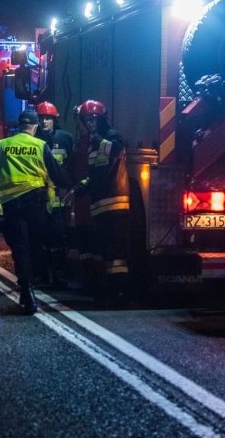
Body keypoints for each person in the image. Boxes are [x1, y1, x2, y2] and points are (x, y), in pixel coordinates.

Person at [0, 110, 70, 315]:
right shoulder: (40, 145)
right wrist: (71, 185)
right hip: (36, 203)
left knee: (19, 246)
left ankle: (26, 288)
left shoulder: (4, 145)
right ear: (35, 127)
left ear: (18, 126)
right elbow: (57, 173)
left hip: (12, 204)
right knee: (35, 244)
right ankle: (33, 281)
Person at [67, 99, 131, 304]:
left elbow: (112, 154)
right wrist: (78, 189)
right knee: (106, 250)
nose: (90, 123)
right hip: (101, 204)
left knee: (116, 253)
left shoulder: (111, 137)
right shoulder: (94, 143)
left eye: (94, 119)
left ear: (102, 118)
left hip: (114, 202)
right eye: (87, 120)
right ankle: (108, 289)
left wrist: (95, 140)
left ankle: (118, 292)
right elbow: (94, 174)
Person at [33, 101, 75, 286]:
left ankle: (59, 275)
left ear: (54, 120)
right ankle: (41, 275)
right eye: (41, 118)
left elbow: (73, 166)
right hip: (39, 199)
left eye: (48, 118)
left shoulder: (66, 139)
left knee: (58, 239)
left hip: (59, 198)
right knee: (39, 239)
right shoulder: (33, 141)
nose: (44, 122)